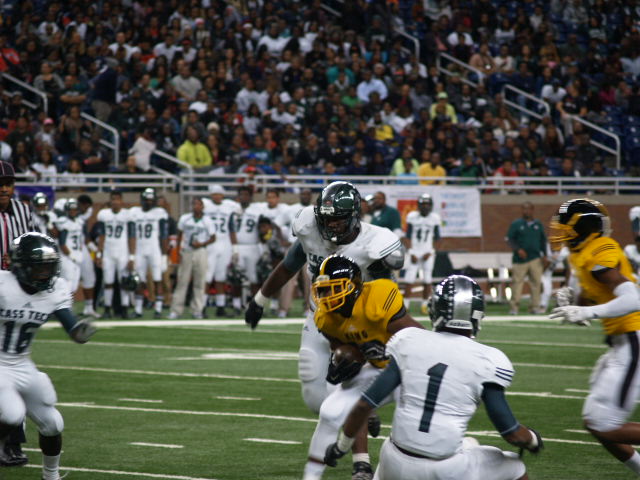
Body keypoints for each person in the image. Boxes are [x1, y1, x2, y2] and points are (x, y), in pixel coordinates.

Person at [324, 275, 543, 480]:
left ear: (435, 309)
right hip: (445, 469)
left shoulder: (408, 341)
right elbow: (512, 434)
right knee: (515, 466)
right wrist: (532, 440)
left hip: (394, 461)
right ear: (477, 314)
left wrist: (340, 448)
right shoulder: (488, 359)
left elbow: (364, 405)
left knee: (399, 452)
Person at [245, 181, 404, 413]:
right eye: (326, 218)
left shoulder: (374, 243)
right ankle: (355, 413)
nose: (331, 224)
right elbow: (289, 265)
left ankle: (362, 411)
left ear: (353, 216)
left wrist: (370, 339)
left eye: (337, 219)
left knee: (366, 383)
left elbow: (386, 294)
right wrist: (260, 299)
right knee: (314, 397)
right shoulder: (310, 229)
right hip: (319, 317)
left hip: (359, 322)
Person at [301, 255, 423, 480]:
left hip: (405, 369)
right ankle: (315, 475)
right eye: (323, 290)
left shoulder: (378, 297)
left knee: (408, 427)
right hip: (373, 367)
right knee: (330, 411)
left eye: (334, 288)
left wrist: (387, 350)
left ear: (354, 287)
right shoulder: (326, 318)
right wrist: (341, 361)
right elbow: (343, 349)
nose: (326, 296)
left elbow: (419, 339)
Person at [548, 198, 640, 476]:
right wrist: (573, 300)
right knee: (594, 422)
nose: (560, 230)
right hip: (620, 342)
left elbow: (632, 299)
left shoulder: (601, 249)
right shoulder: (580, 252)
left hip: (633, 338)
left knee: (605, 424)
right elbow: (595, 296)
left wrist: (586, 311)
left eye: (565, 225)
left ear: (583, 227)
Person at [0, 232, 96, 478]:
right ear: (21, 266)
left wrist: (81, 332)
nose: (45, 273)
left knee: (53, 423)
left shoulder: (55, 289)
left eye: (49, 267)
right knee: (11, 413)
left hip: (22, 363)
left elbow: (71, 326)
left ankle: (51, 476)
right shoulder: (3, 285)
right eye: (39, 268)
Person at [0, 161, 37, 466]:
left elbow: (36, 246)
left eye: (8, 183)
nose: (4, 188)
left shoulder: (24, 211)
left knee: (14, 372)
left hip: (14, 300)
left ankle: (12, 442)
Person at [168, 197, 215, 319]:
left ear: (202, 206)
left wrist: (202, 243)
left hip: (201, 251)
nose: (195, 207)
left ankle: (197, 309)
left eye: (198, 204)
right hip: (187, 251)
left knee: (200, 282)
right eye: (194, 204)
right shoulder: (185, 218)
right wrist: (178, 251)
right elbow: (179, 234)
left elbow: (213, 238)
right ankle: (176, 310)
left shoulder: (207, 221)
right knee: (182, 281)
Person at [95, 190, 136, 319]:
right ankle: (107, 309)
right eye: (113, 199)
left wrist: (132, 257)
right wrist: (99, 254)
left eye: (118, 199)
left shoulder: (128, 214)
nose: (115, 202)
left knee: (124, 282)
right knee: (108, 282)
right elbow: (101, 236)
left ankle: (124, 309)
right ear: (110, 200)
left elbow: (132, 236)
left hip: (123, 253)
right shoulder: (104, 214)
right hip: (108, 253)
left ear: (122, 201)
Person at [55, 199, 99, 318]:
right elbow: (62, 243)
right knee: (67, 284)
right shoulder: (64, 222)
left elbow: (85, 238)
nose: (73, 212)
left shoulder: (79, 222)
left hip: (76, 257)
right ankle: (65, 310)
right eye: (71, 210)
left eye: (75, 210)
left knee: (74, 285)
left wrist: (95, 250)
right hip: (68, 257)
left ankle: (68, 309)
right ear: (66, 211)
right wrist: (71, 256)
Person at [129, 188, 169, 319]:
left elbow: (164, 235)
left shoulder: (160, 213)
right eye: (147, 200)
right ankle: (138, 309)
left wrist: (164, 255)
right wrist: (132, 255)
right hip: (140, 249)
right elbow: (132, 235)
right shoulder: (134, 212)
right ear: (142, 200)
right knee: (140, 280)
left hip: (154, 249)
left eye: (151, 200)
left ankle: (158, 309)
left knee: (157, 279)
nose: (149, 202)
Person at [203, 185, 239, 317]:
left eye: (219, 194)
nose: (217, 196)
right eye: (214, 194)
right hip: (210, 243)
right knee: (207, 277)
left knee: (221, 277)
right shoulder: (205, 206)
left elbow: (232, 228)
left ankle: (220, 306)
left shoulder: (229, 207)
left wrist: (235, 248)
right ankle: (201, 306)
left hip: (225, 244)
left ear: (223, 195)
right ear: (210, 195)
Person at [506, 202, 548, 315]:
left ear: (532, 210)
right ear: (522, 210)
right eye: (524, 209)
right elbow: (509, 239)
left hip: (535, 258)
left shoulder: (538, 224)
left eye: (528, 209)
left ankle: (535, 306)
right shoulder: (516, 224)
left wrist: (544, 255)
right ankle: (514, 307)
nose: (526, 211)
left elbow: (543, 240)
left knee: (536, 283)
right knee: (517, 283)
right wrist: (518, 249)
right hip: (520, 259)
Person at [402, 194, 442, 314]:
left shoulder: (435, 218)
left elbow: (438, 239)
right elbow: (407, 236)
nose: (425, 206)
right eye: (423, 204)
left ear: (431, 205)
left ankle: (425, 305)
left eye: (427, 204)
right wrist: (411, 252)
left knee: (427, 279)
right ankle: (405, 305)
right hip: (414, 251)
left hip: (428, 252)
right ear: (419, 205)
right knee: (409, 279)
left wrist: (431, 252)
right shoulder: (412, 216)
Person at [229, 186, 265, 315]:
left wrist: (263, 247)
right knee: (236, 277)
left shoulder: (258, 211)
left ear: (250, 197)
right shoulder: (234, 211)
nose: (244, 197)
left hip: (253, 246)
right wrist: (234, 249)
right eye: (241, 194)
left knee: (254, 278)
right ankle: (236, 305)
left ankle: (255, 305)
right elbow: (231, 230)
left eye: (246, 194)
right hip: (238, 247)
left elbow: (263, 229)